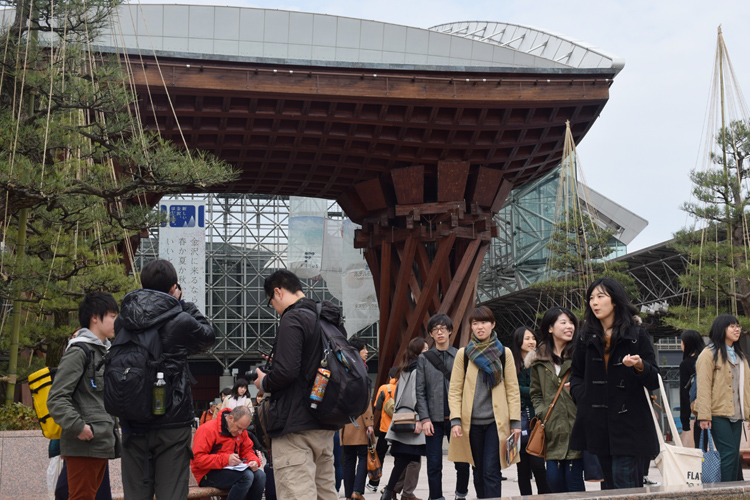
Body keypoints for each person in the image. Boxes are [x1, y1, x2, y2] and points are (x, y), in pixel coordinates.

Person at [118, 259, 216, 500]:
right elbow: (208, 337)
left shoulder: (124, 319)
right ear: (174, 287)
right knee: (171, 493)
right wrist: (182, 304)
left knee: (136, 494)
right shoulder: (180, 319)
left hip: (133, 418)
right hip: (172, 418)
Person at [253, 269, 340, 500]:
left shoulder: (293, 318)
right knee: (325, 494)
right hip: (323, 425)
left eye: (271, 302)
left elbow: (286, 372)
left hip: (295, 427)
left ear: (278, 292)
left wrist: (264, 382)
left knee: (296, 494)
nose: (274, 307)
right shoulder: (326, 319)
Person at [570, 277, 659, 490]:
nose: (595, 302)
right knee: (609, 485)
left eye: (601, 296)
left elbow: (655, 378)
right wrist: (582, 395)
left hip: (631, 424)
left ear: (615, 301)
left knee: (624, 481)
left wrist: (639, 366)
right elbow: (576, 375)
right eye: (591, 298)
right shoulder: (585, 337)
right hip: (598, 423)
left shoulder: (636, 335)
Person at [48, 292, 121, 500]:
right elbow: (56, 398)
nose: (116, 321)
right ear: (95, 317)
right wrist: (79, 427)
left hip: (98, 443)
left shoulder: (102, 351)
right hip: (85, 443)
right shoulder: (79, 351)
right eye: (113, 316)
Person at [448, 306, 521, 499]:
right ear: (471, 326)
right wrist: (455, 420)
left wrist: (515, 423)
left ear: (493, 324)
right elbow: (455, 390)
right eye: (475, 323)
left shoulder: (504, 353)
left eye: (484, 322)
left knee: (491, 471)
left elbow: (513, 390)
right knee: (478, 471)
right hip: (470, 424)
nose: (480, 327)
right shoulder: (463, 354)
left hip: (495, 424)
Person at [528, 308, 584, 493]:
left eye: (571, 323)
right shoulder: (538, 361)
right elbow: (535, 392)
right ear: (550, 328)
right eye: (563, 322)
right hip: (551, 430)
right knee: (553, 481)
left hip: (576, 428)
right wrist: (542, 413)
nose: (570, 327)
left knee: (574, 482)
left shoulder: (581, 355)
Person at [415, 314, 470, 500]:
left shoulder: (461, 356)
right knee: (434, 463)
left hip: (457, 419)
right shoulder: (424, 359)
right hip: (433, 419)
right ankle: (436, 497)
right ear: (430, 333)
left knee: (462, 463)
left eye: (443, 328)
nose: (440, 332)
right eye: (435, 329)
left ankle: (461, 493)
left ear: (450, 331)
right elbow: (420, 391)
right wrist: (424, 419)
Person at [696, 314, 750, 483]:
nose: (737, 329)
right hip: (718, 413)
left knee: (733, 456)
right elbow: (703, 386)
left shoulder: (740, 356)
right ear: (721, 329)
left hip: (737, 413)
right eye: (732, 326)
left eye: (738, 326)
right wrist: (704, 415)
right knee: (728, 454)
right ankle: (725, 492)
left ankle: (732, 491)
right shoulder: (708, 354)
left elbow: (746, 388)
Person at [380, 337, 427, 500]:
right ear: (418, 352)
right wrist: (421, 419)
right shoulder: (417, 370)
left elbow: (399, 396)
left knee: (410, 458)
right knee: (406, 458)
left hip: (401, 418)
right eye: (425, 350)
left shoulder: (405, 369)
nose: (428, 352)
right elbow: (417, 396)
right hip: (413, 420)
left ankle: (397, 492)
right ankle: (389, 491)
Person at [192, 406, 266, 500]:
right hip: (207, 473)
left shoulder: (241, 430)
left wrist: (254, 461)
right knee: (246, 476)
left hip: (231, 470)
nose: (240, 432)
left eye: (243, 429)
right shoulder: (208, 429)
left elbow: (247, 450)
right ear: (230, 418)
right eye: (239, 428)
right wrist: (226, 459)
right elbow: (198, 460)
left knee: (260, 476)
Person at [509, 326, 550, 496]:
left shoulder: (540, 362)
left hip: (537, 419)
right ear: (518, 341)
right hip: (518, 420)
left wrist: (527, 391)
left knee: (539, 466)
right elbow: (512, 388)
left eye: (533, 338)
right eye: (527, 338)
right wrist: (531, 391)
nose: (532, 341)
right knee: (522, 469)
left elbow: (543, 389)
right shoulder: (511, 363)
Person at [340, 338, 374, 500]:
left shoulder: (343, 368)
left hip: (345, 424)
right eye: (364, 349)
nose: (367, 352)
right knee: (362, 456)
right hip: (360, 421)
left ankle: (348, 495)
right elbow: (365, 398)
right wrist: (369, 423)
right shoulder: (361, 369)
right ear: (356, 351)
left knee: (348, 459)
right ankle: (357, 491)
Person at [679, 329, 705, 448]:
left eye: (682, 342)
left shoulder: (686, 364)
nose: (681, 345)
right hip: (718, 409)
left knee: (701, 448)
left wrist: (685, 419)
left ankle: (703, 467)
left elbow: (684, 392)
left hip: (700, 412)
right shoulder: (708, 358)